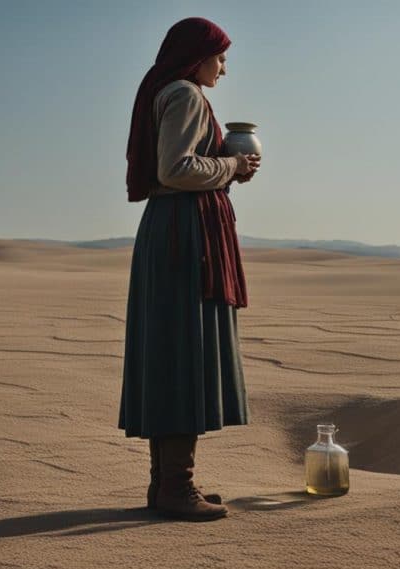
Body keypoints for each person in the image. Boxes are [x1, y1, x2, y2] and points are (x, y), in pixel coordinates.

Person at [119, 17, 261, 522]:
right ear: (196, 56)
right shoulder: (183, 93)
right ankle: (176, 488)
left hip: (176, 230)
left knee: (174, 352)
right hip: (184, 238)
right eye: (220, 56)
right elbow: (175, 169)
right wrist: (232, 168)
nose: (224, 67)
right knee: (183, 353)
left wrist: (222, 163)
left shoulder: (171, 91)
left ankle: (168, 485)